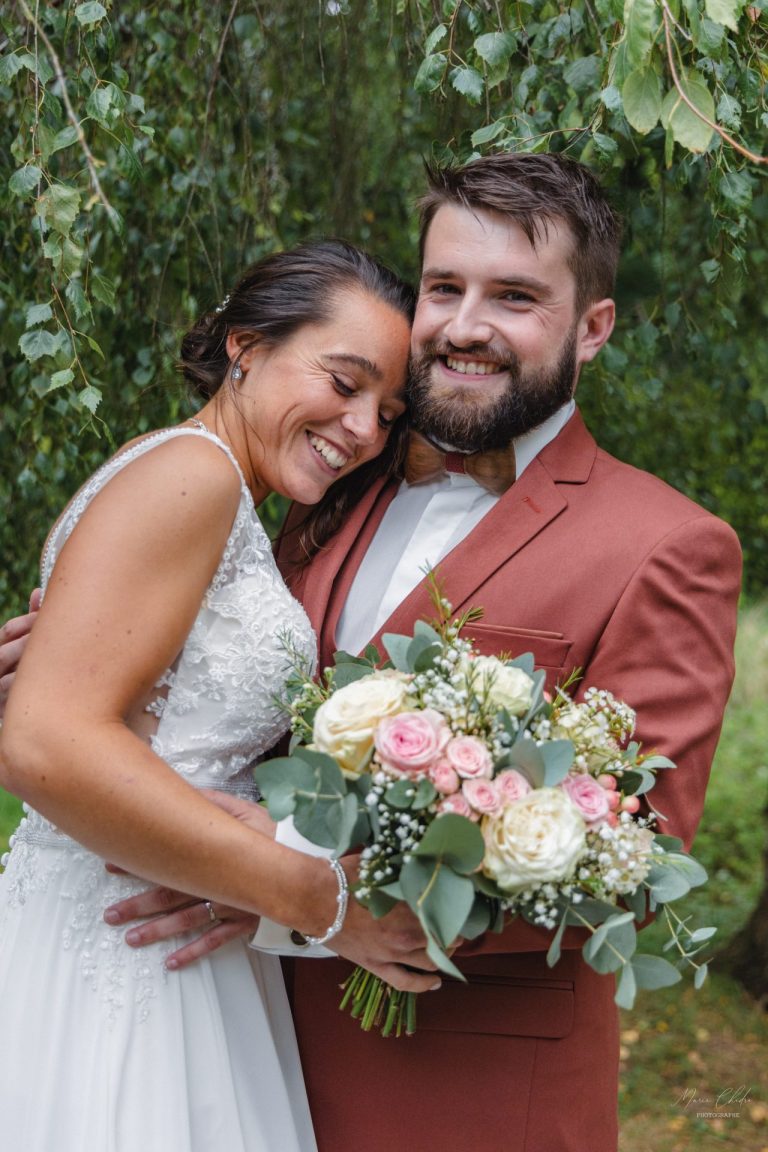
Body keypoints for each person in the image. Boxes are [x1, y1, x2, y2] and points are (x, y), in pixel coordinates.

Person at [1, 155, 742, 1151]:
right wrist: (71, 676)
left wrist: (287, 887)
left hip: (461, 1095)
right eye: (446, 288)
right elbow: (195, 705)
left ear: (593, 326)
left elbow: (634, 865)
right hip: (218, 1042)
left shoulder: (665, 543)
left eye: (515, 296)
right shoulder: (327, 485)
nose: (467, 325)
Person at [0, 239, 443, 1152]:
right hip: (126, 955)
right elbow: (46, 743)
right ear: (246, 347)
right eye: (345, 382)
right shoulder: (191, 477)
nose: (363, 430)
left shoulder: (187, 473)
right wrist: (327, 904)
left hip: (166, 930)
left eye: (388, 411)